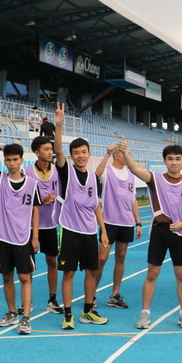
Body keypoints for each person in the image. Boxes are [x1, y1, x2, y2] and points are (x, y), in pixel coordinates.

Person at [118, 138, 182, 329]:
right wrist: (125, 153)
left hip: (180, 231)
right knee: (152, 273)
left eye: (177, 159)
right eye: (170, 159)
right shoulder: (156, 179)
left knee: (181, 274)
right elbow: (136, 171)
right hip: (159, 230)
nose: (174, 162)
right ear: (164, 161)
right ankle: (145, 313)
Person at [53, 103, 109, 329]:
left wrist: (103, 230)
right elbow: (57, 151)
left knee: (91, 271)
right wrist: (59, 126)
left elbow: (96, 206)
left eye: (83, 152)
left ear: (89, 154)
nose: (80, 156)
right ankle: (68, 314)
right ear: (71, 156)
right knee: (68, 273)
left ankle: (88, 310)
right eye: (76, 153)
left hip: (89, 231)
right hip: (70, 230)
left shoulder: (95, 179)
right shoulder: (67, 172)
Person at [0, 140, 40, 336]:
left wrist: (35, 237)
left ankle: (25, 318)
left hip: (23, 237)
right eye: (8, 160)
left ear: (22, 161)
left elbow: (35, 210)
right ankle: (12, 313)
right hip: (4, 236)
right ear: (4, 161)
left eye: (15, 159)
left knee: (24, 277)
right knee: (7, 276)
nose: (12, 163)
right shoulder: (0, 179)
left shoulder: (32, 184)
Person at [95, 143, 143, 309]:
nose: (129, 157)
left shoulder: (131, 174)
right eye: (126, 153)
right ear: (117, 155)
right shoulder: (108, 172)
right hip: (108, 222)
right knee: (101, 258)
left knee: (121, 258)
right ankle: (91, 294)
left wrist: (138, 222)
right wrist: (107, 154)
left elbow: (133, 200)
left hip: (127, 223)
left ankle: (115, 295)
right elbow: (96, 176)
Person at [27, 135, 62, 313]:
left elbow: (65, 193)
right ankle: (28, 301)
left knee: (52, 262)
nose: (50, 152)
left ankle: (52, 299)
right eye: (47, 149)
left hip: (50, 225)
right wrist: (39, 200)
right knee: (28, 266)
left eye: (51, 149)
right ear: (37, 152)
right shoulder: (27, 172)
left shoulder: (57, 171)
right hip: (30, 227)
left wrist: (55, 198)